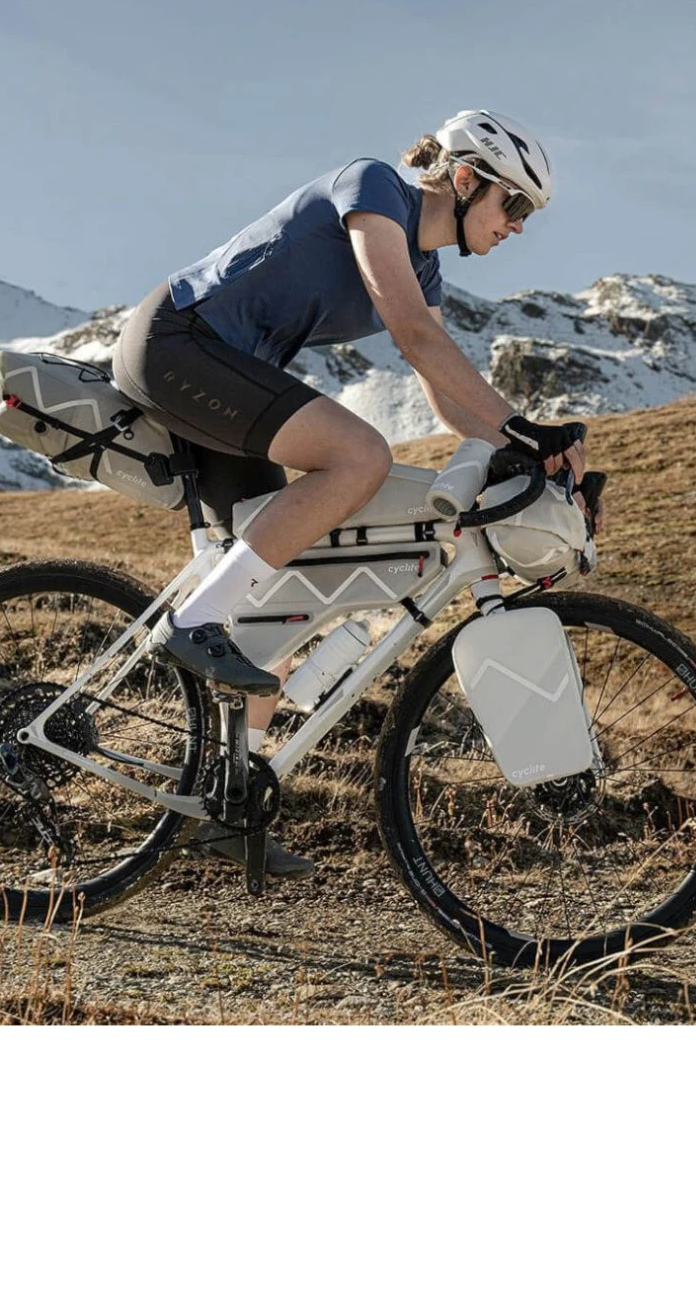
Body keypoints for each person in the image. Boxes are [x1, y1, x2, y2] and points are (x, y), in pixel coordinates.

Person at [110, 109, 588, 874]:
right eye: (515, 204)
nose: (519, 226)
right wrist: (519, 427)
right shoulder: (374, 189)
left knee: (273, 601)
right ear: (466, 179)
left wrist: (529, 453)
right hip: (177, 345)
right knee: (361, 456)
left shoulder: (425, 270)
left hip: (228, 375)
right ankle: (191, 621)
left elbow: (443, 393)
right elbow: (414, 334)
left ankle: (225, 811)